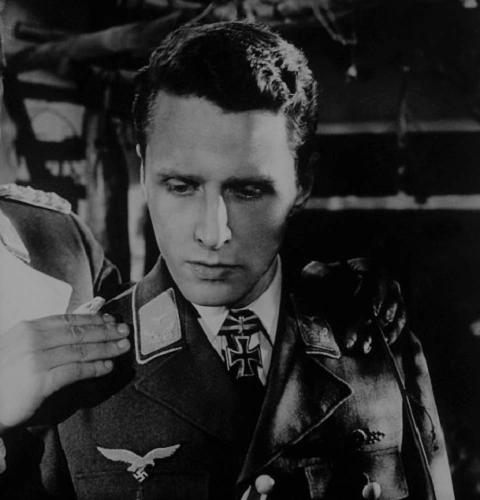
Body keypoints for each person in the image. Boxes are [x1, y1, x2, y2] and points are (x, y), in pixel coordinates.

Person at [0, 20, 451, 500]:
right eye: (181, 186)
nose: (213, 234)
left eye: (249, 191)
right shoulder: (74, 375)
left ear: (303, 184)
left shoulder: (374, 337)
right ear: (145, 171)